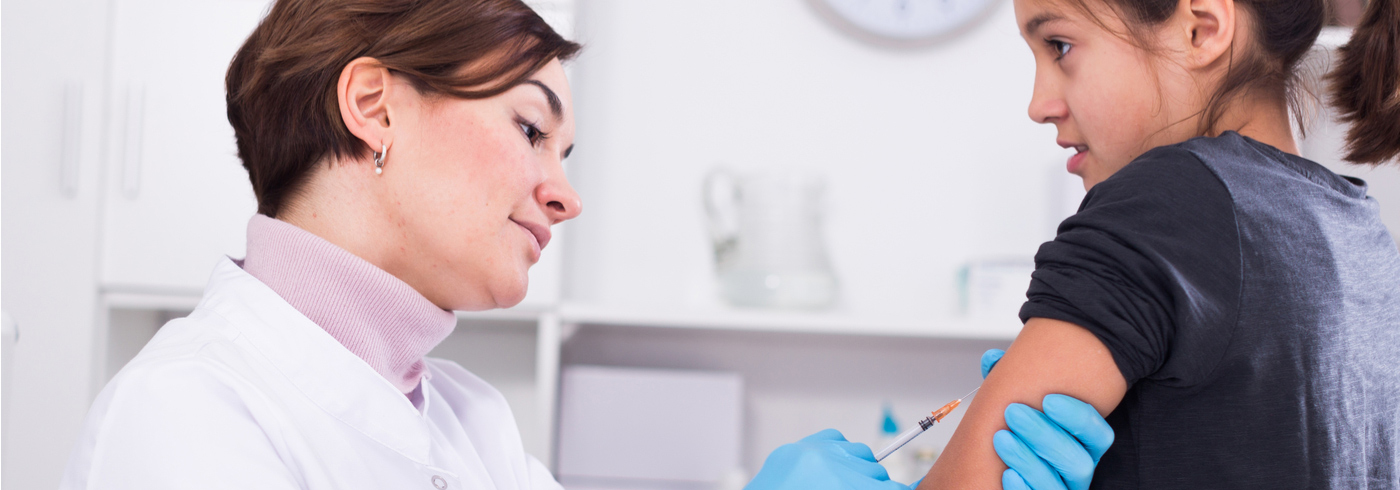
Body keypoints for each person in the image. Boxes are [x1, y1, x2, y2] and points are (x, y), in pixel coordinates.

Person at [58, 0, 1111, 488]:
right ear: (372, 106)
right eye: (529, 129)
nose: (562, 195)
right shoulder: (187, 416)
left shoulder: (464, 420)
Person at [908, 0, 1399, 488]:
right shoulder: (1360, 229)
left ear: (1201, 30)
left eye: (1059, 46)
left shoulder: (1167, 201)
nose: (1039, 105)